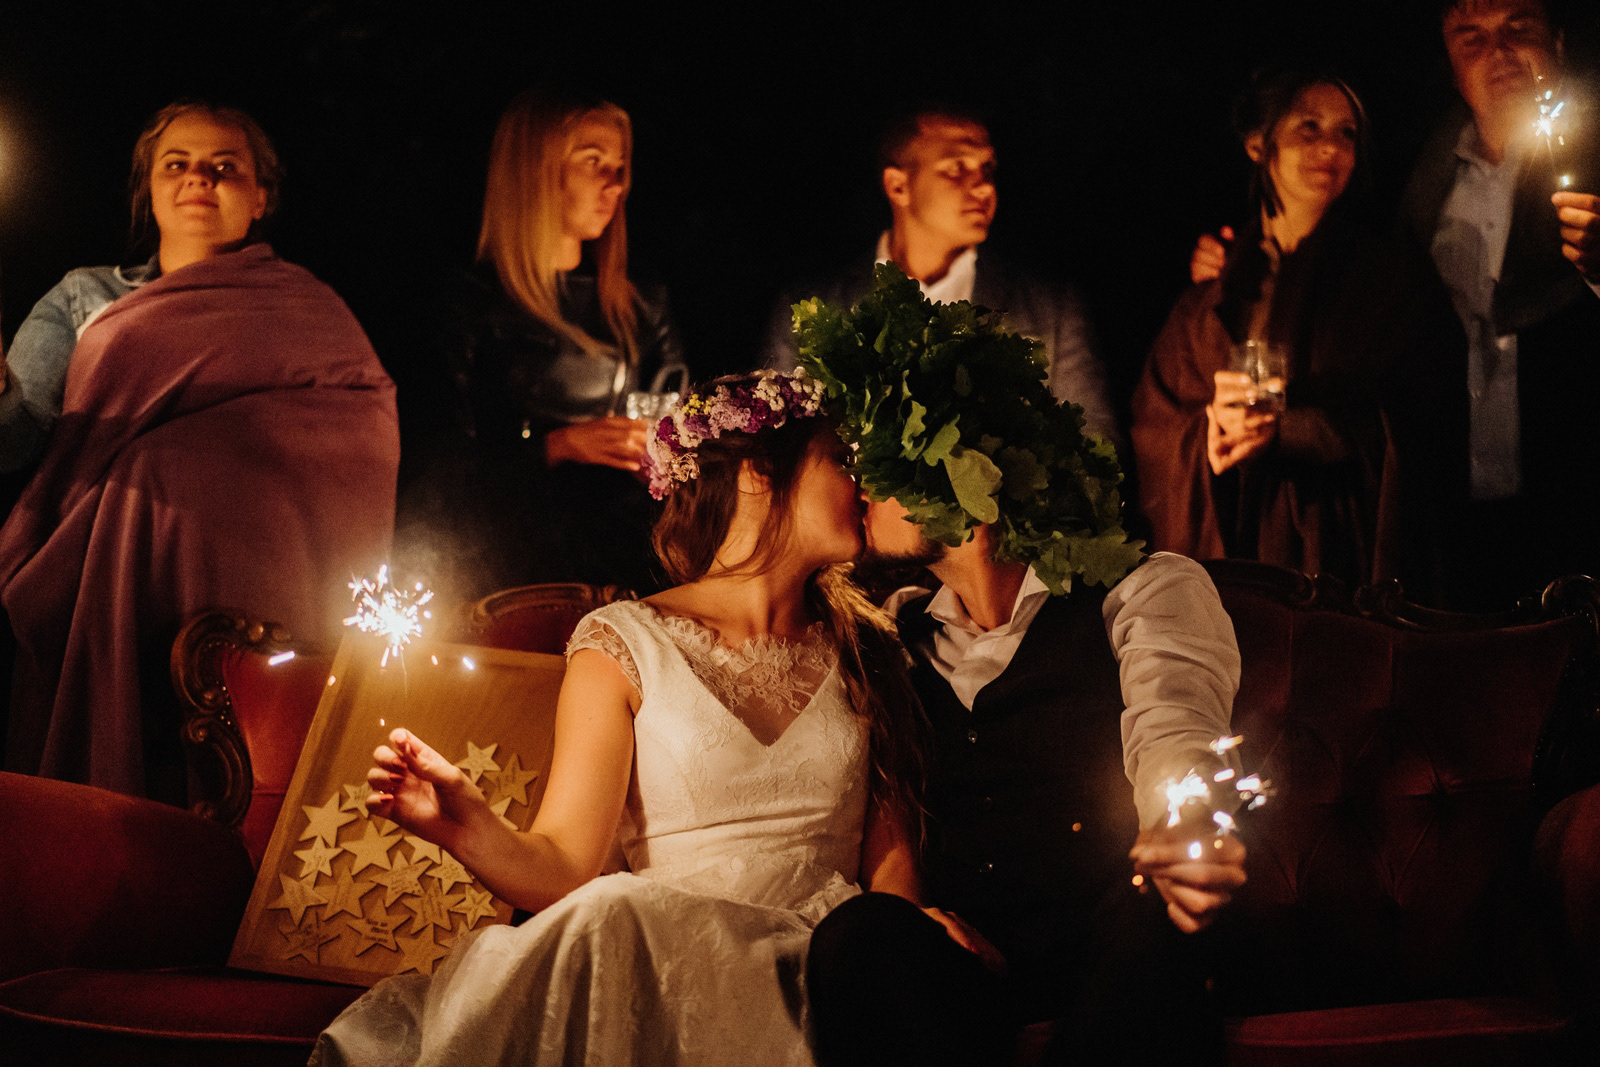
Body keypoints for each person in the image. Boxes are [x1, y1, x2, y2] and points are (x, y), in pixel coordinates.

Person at [312, 370, 929, 1067]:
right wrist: (465, 824)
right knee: (608, 915)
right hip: (665, 964)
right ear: (757, 472)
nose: (864, 486)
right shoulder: (622, 644)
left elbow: (894, 864)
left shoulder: (868, 647)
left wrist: (906, 961)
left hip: (827, 968)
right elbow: (567, 866)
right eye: (843, 461)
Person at [794, 268, 1245, 1066]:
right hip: (975, 969)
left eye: (877, 463)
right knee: (860, 934)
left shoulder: (1142, 589)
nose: (858, 489)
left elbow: (1175, 729)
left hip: (1119, 940)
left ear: (956, 466)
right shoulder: (890, 637)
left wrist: (1183, 826)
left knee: (1156, 918)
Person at [0, 101, 398, 805]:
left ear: (261, 197)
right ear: (148, 190)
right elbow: (18, 444)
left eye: (225, 167)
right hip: (110, 588)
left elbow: (361, 431)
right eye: (176, 165)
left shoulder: (306, 308)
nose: (198, 179)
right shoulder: (84, 297)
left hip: (264, 594)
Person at [1189, 2, 1600, 608]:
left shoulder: (1587, 165)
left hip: (1573, 480)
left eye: (1518, 28)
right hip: (1450, 498)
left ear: (1558, 42)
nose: (1498, 51)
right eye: (1471, 35)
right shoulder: (1417, 178)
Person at [1132, 70, 1466, 593]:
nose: (1330, 148)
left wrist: (1290, 431)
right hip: (1233, 560)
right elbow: (1157, 425)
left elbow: (1424, 417)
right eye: (1309, 127)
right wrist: (1210, 434)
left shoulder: (1392, 280)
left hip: (1339, 559)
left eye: (1346, 133)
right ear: (1258, 144)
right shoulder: (1214, 294)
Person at [401, 90, 686, 602]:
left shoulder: (640, 304)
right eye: (593, 162)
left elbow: (682, 417)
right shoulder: (469, 302)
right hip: (507, 560)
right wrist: (559, 446)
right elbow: (437, 469)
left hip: (624, 557)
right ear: (535, 169)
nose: (615, 184)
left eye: (620, 166)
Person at [762, 106, 1119, 445]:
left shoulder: (1051, 311)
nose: (985, 187)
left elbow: (1097, 451)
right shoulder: (811, 307)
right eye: (957, 168)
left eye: (987, 168)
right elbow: (772, 452)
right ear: (898, 186)